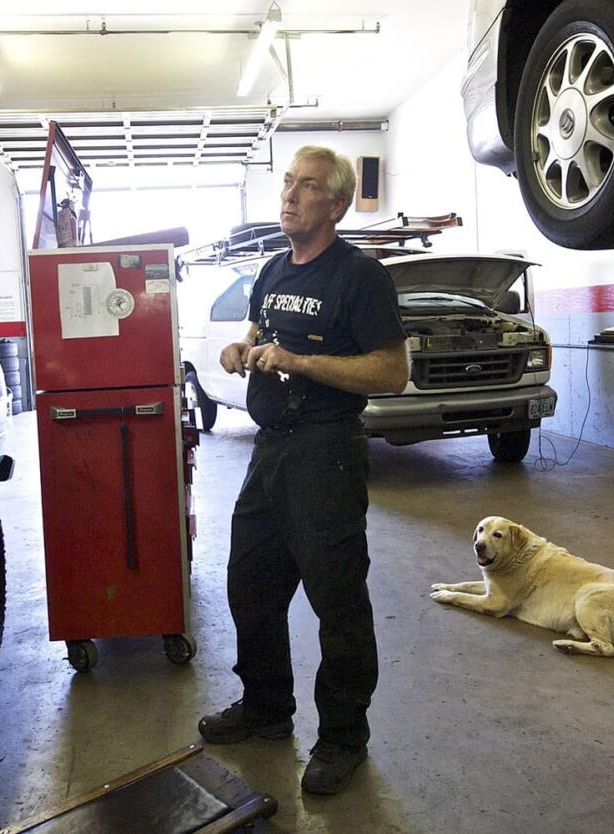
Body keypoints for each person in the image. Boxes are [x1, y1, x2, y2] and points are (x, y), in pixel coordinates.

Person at [197, 145, 410, 796]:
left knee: (337, 603)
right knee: (250, 585)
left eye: (308, 186)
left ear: (337, 204)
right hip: (271, 449)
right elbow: (258, 331)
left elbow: (392, 374)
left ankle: (343, 739)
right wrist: (243, 348)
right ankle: (267, 707)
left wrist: (302, 362)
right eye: (287, 182)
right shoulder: (272, 269)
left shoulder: (358, 277)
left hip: (327, 450)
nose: (289, 195)